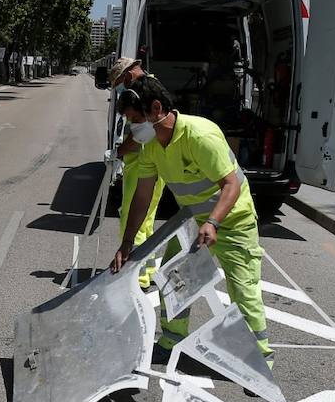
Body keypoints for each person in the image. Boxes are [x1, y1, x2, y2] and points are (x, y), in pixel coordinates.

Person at [110, 75, 272, 367]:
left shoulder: (200, 136)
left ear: (156, 108)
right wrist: (127, 241)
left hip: (233, 220)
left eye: (135, 121)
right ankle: (171, 340)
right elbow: (142, 196)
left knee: (243, 289)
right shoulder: (151, 147)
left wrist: (213, 222)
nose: (133, 131)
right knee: (174, 279)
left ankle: (259, 357)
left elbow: (231, 185)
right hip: (192, 222)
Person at [107, 56, 165, 290]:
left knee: (134, 218)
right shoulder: (152, 86)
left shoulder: (144, 93)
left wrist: (119, 151)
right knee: (147, 220)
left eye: (120, 82)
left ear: (128, 76)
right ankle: (146, 270)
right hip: (148, 163)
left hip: (143, 165)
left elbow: (140, 132)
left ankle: (136, 276)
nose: (120, 88)